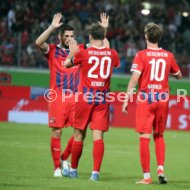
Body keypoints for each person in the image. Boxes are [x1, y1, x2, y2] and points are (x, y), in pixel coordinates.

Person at [35, 12, 109, 177]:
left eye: (72, 35)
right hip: (58, 97)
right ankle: (57, 169)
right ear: (60, 37)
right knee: (57, 132)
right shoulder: (52, 51)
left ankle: (64, 159)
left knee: (80, 132)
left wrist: (103, 29)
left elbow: (102, 47)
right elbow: (39, 42)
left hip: (78, 97)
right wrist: (52, 27)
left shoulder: (81, 49)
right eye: (66, 35)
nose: (69, 38)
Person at [122, 23, 182, 184]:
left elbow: (135, 78)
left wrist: (127, 98)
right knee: (159, 135)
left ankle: (147, 177)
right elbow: (179, 75)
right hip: (163, 99)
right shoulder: (168, 55)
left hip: (147, 98)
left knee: (144, 136)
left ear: (146, 37)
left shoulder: (141, 55)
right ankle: (160, 169)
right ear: (159, 37)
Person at [64, 22, 120, 181]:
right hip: (102, 100)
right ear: (103, 36)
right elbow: (112, 59)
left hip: (84, 99)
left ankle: (73, 170)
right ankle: (95, 173)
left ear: (89, 36)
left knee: (78, 135)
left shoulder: (84, 53)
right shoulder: (112, 53)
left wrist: (71, 53)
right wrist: (105, 30)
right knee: (98, 137)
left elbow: (66, 65)